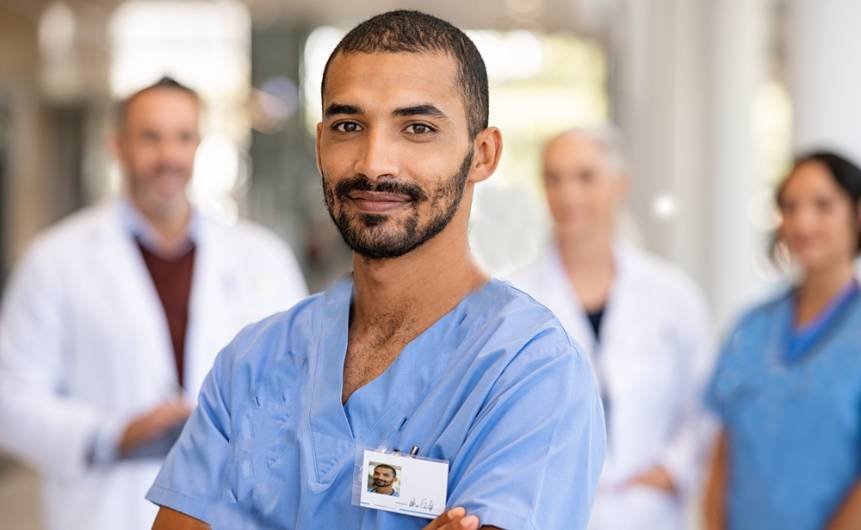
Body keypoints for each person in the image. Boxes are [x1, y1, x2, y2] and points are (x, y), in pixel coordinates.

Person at [147, 10, 605, 530]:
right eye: (349, 126)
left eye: (417, 128)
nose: (374, 163)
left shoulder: (529, 370)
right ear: (321, 145)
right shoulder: (254, 363)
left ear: (482, 154)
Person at [0, 77, 307, 530]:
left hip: (235, 510)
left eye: (182, 137)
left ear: (198, 145)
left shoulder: (264, 259)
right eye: (150, 137)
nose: (168, 156)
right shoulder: (55, 261)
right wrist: (109, 435)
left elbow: (304, 386)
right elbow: (11, 398)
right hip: (106, 510)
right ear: (117, 144)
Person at [509, 127, 713, 530]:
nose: (568, 194)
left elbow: (704, 402)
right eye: (554, 178)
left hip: (649, 515)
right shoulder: (515, 301)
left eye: (585, 177)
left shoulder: (672, 295)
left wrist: (672, 471)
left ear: (619, 185)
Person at [704, 151, 861, 530]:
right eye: (790, 207)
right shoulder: (751, 328)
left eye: (823, 206)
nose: (803, 222)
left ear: (857, 214)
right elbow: (724, 452)